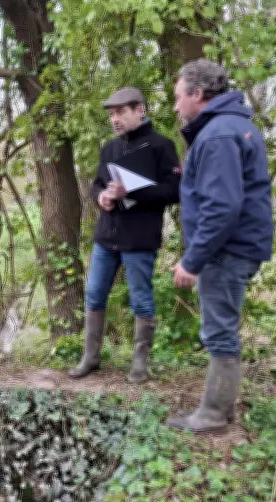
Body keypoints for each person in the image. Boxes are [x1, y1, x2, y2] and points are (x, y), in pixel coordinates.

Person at [167, 60, 273, 433]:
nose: (176, 106)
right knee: (221, 327)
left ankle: (212, 416)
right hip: (238, 245)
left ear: (198, 94)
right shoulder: (234, 127)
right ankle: (219, 409)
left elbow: (222, 207)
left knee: (219, 331)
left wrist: (192, 261)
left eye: (178, 97)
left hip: (227, 250)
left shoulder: (216, 135)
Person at [69, 87, 181, 383]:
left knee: (141, 301)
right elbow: (96, 183)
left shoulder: (162, 146)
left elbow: (174, 191)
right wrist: (101, 197)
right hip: (106, 236)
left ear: (140, 110)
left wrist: (135, 190)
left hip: (139, 240)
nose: (114, 119)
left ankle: (139, 365)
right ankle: (90, 358)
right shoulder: (110, 148)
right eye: (111, 114)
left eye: (120, 113)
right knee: (94, 295)